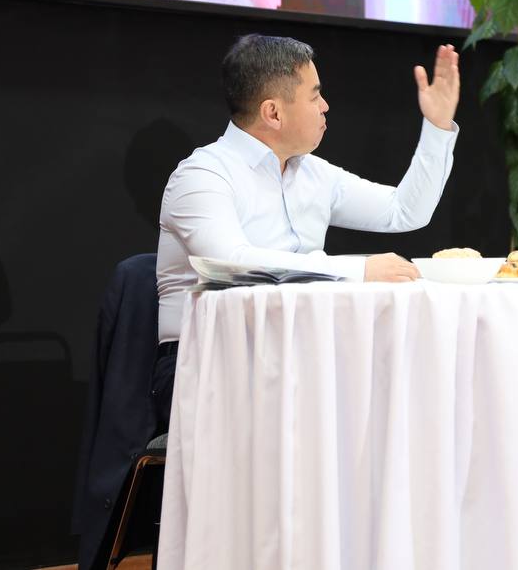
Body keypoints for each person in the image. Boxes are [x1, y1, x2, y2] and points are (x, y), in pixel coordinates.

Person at [151, 34, 460, 430]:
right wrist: (358, 270)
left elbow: (404, 211)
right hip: (208, 360)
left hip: (297, 351)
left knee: (398, 390)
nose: (325, 106)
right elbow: (229, 262)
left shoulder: (312, 172)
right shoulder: (202, 175)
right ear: (273, 113)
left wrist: (437, 127)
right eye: (315, 96)